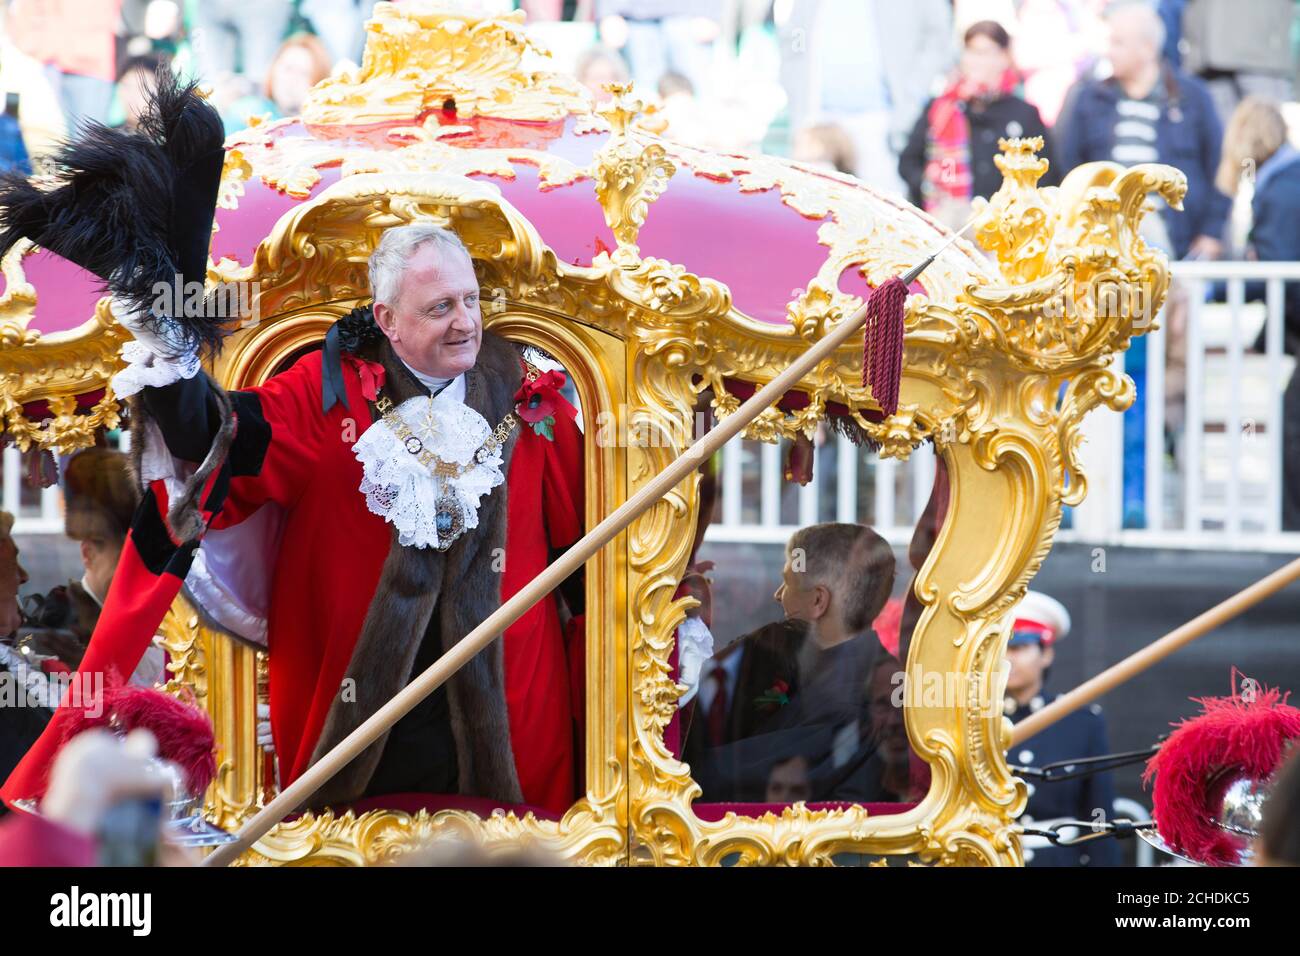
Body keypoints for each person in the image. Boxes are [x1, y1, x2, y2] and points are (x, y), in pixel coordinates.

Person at [0, 74, 587, 817]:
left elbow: (596, 548)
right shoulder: (324, 393)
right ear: (388, 318)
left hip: (514, 739)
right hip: (356, 739)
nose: (465, 323)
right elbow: (215, 442)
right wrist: (170, 351)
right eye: (440, 308)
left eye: (470, 301)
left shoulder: (529, 394)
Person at [686, 522, 908, 805]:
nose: (778, 595)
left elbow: (731, 773)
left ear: (818, 600)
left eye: (787, 582)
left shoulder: (853, 691)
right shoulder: (817, 673)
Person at [1215, 97, 1300, 530]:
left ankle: (1290, 543)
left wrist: (1218, 284)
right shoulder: (1287, 180)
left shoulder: (1282, 189)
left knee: (1293, 431)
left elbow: (1279, 272)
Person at [899, 20, 1058, 231]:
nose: (976, 61)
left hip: (1006, 228)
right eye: (971, 51)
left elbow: (1048, 174)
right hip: (947, 225)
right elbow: (908, 162)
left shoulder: (1023, 113)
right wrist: (933, 184)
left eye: (985, 52)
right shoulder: (942, 108)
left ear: (1003, 57)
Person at [1004, 590, 1120, 866]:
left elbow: (1099, 821)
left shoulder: (1081, 723)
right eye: (1000, 648)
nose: (1007, 659)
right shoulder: (974, 721)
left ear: (1046, 654)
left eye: (1019, 647)